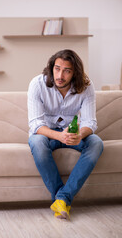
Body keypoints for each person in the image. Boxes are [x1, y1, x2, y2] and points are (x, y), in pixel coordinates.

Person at [27, 49, 103, 220]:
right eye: (57, 68)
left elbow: (90, 122)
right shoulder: (37, 84)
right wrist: (59, 135)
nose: (60, 75)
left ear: (75, 72)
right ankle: (63, 198)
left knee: (96, 143)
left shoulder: (86, 86)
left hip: (73, 135)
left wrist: (80, 134)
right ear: (51, 68)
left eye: (67, 70)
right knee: (37, 143)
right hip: (46, 134)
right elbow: (36, 124)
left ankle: (61, 199)